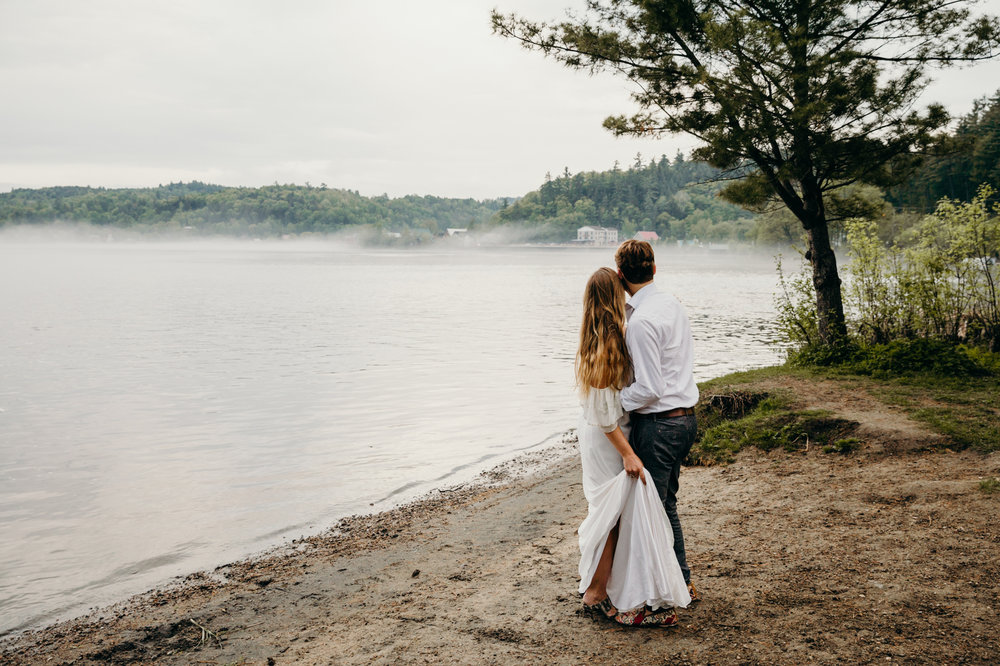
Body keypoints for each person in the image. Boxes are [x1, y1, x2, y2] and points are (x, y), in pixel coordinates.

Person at [575, 267, 690, 627]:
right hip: (609, 437)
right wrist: (628, 453)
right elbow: (603, 415)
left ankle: (603, 588)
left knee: (617, 514)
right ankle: (596, 593)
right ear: (615, 294)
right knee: (611, 516)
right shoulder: (602, 342)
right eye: (621, 290)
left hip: (612, 430)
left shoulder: (617, 326)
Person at [615, 240, 701, 604]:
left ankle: (677, 584)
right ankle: (679, 580)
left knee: (657, 507)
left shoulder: (641, 322)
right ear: (654, 269)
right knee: (666, 503)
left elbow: (649, 388)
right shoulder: (670, 304)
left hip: (661, 425)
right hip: (684, 421)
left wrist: (614, 402)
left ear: (620, 275)